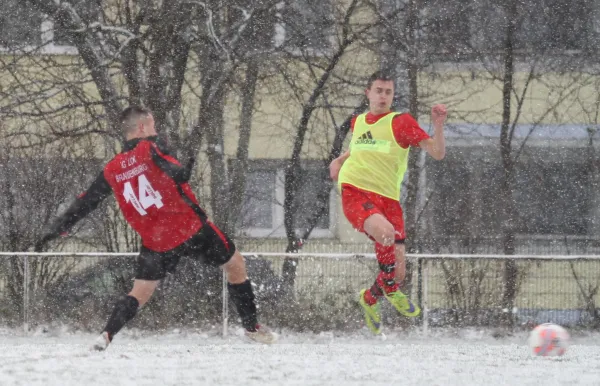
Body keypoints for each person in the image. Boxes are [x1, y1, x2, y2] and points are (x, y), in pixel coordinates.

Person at [36, 106, 277, 349]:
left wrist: (57, 229)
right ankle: (251, 326)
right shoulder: (148, 147)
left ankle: (106, 334)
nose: (155, 129)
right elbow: (175, 172)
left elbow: (86, 201)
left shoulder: (112, 169)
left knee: (140, 291)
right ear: (141, 127)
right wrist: (183, 169)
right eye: (152, 124)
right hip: (189, 228)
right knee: (235, 263)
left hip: (156, 241)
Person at [329, 71, 447, 334]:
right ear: (367, 93)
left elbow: (437, 153)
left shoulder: (401, 122)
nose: (383, 96)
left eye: (388, 92)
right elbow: (359, 147)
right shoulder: (357, 121)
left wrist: (438, 125)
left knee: (399, 272)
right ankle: (390, 290)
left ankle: (369, 299)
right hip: (355, 191)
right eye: (379, 91)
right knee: (385, 234)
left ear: (392, 96)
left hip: (389, 200)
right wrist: (340, 160)